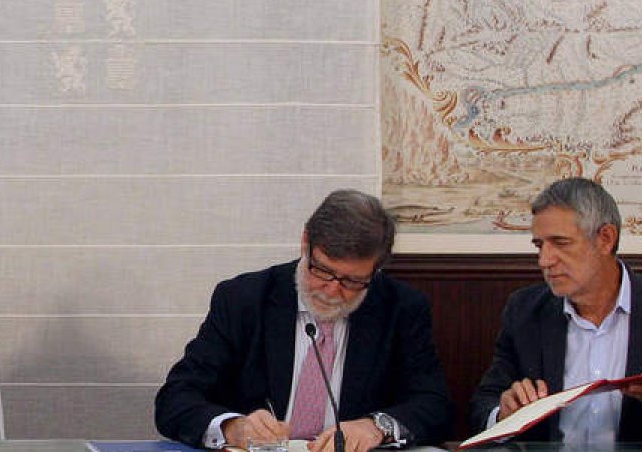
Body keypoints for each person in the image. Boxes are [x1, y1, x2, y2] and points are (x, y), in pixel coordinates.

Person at [154, 189, 452, 452]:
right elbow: (175, 399)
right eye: (322, 270)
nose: (332, 290)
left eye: (352, 281)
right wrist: (235, 428)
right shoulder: (243, 299)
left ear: (375, 271)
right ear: (305, 241)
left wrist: (376, 428)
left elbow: (434, 404)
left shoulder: (401, 308)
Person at [469, 177, 642, 445]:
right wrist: (503, 414)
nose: (544, 261)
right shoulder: (525, 311)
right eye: (540, 245)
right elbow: (483, 404)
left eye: (560, 243)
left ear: (605, 239)